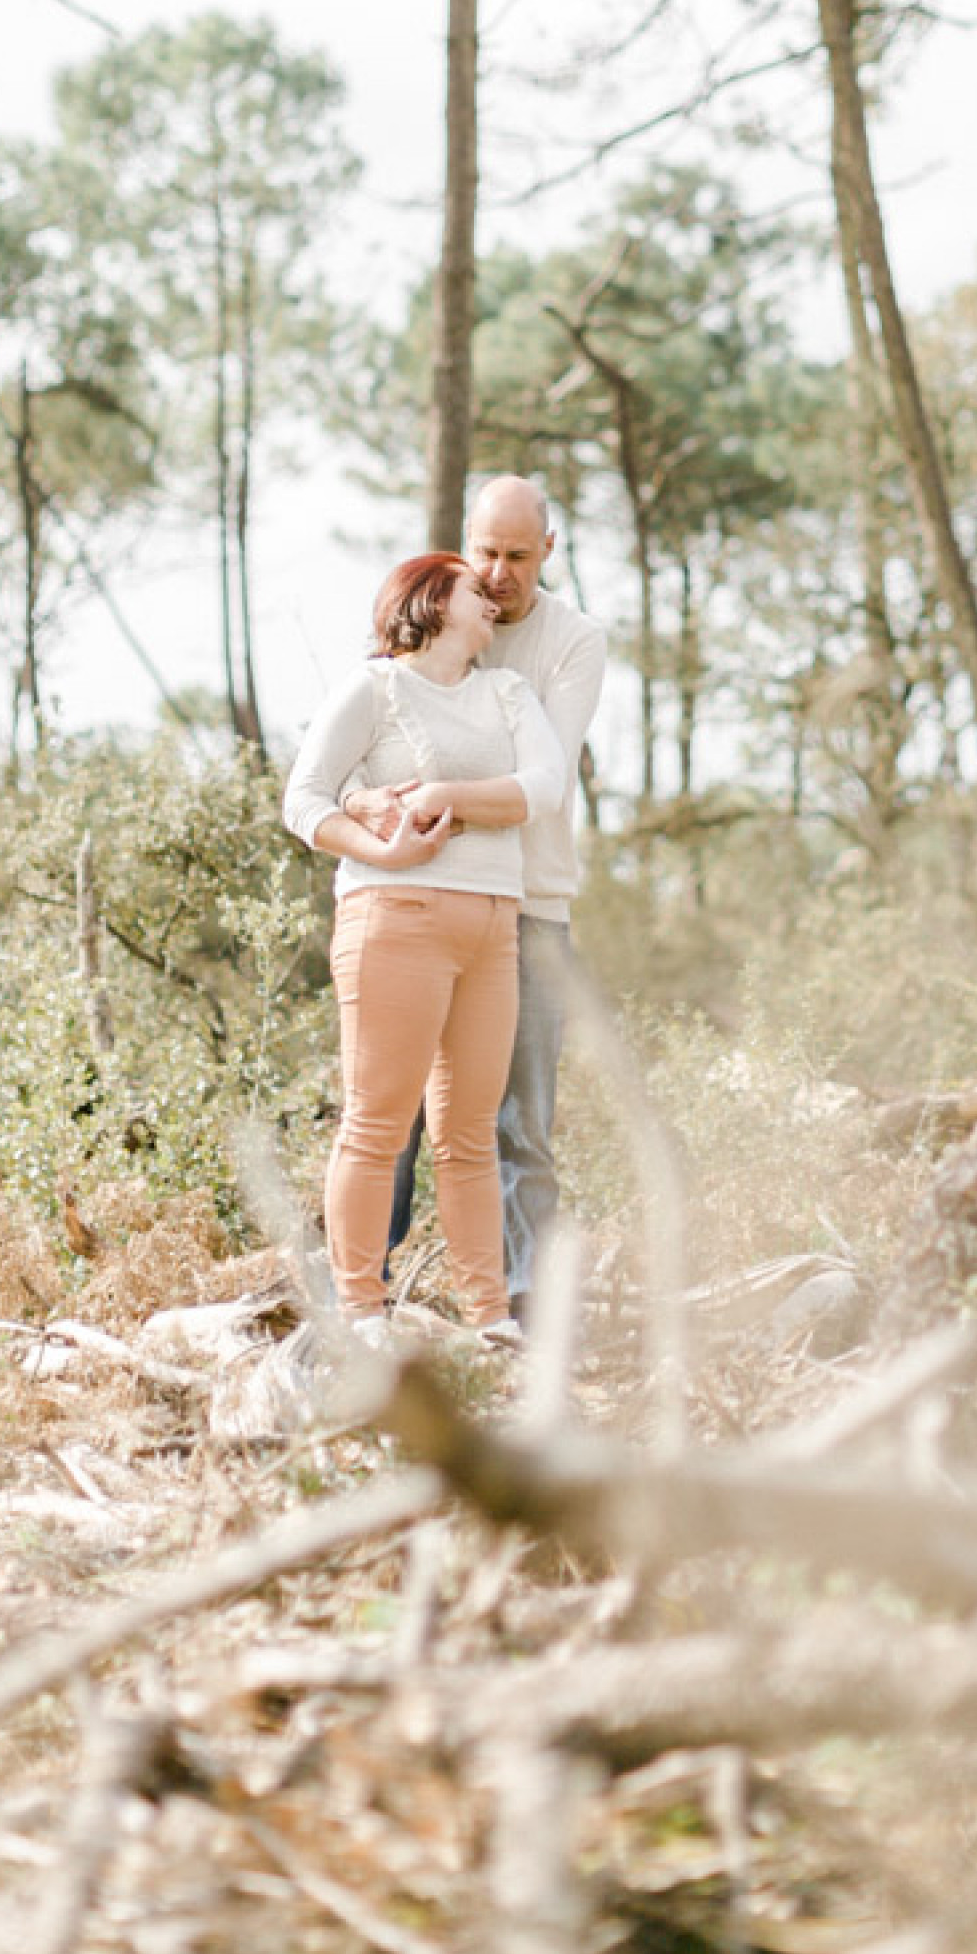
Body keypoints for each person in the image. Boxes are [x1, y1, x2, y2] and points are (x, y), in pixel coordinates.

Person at [282, 551, 567, 1340]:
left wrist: (445, 798)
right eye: (477, 590)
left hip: (492, 926)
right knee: (378, 1123)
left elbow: (544, 787)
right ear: (432, 599)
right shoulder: (375, 686)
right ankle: (360, 1311)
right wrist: (382, 851)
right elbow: (302, 800)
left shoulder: (505, 692)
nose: (493, 600)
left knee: (470, 1133)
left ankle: (488, 1318)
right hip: (393, 916)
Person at [364, 478, 606, 1322]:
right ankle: (363, 1286)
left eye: (518, 556)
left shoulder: (574, 642)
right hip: (417, 897)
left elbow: (543, 769)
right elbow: (369, 745)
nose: (498, 574)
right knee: (391, 1114)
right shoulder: (431, 613)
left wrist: (433, 785)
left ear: (549, 552)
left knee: (520, 1121)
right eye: (486, 552)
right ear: (467, 541)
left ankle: (527, 1301)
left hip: (531, 903)